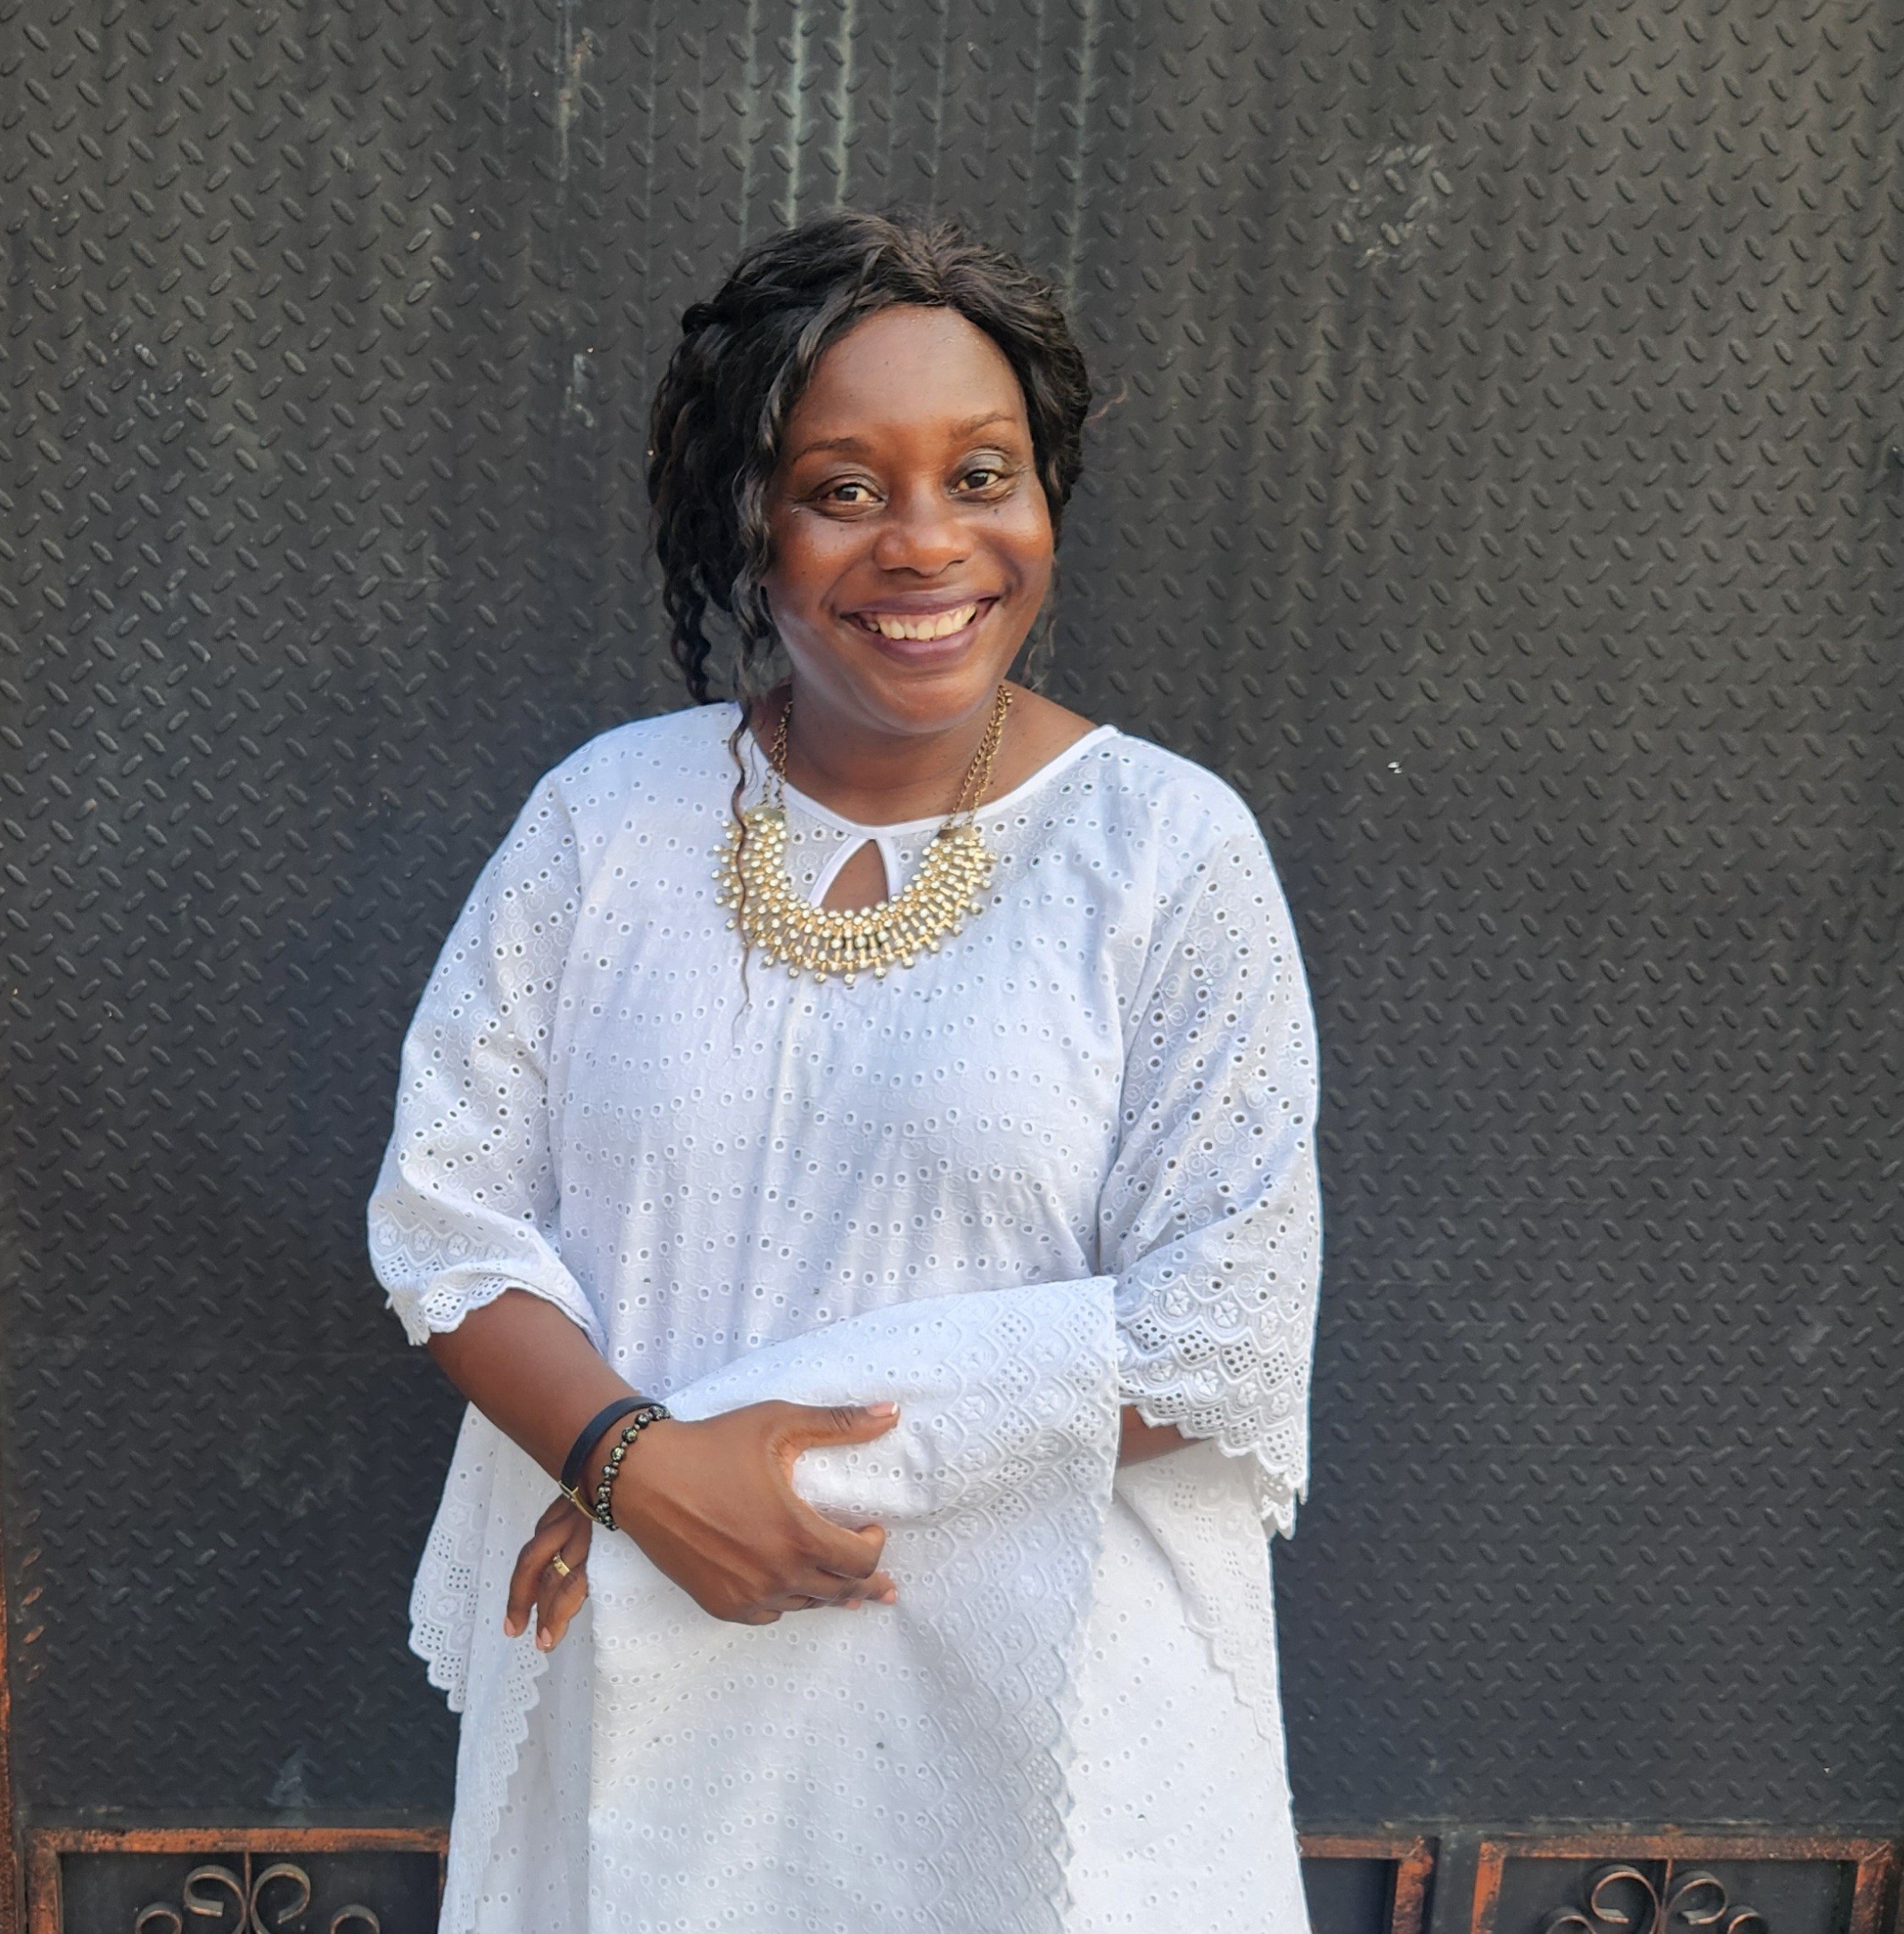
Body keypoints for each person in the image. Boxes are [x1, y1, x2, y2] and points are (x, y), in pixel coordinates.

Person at [368, 209, 1322, 1934]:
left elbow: (1223, 1329)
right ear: (748, 520)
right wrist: (631, 1461)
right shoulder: (606, 820)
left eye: (982, 474)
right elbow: (450, 1212)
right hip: (655, 1709)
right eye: (845, 488)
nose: (929, 541)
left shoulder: (1169, 853)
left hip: (1042, 1739)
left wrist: (679, 1471)